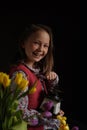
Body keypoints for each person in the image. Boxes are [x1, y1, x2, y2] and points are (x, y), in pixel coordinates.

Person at [9, 24, 64, 130]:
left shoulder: (39, 70)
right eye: (36, 43)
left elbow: (44, 97)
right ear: (23, 43)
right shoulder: (20, 75)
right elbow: (19, 112)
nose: (41, 49)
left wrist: (53, 112)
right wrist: (47, 117)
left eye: (45, 46)